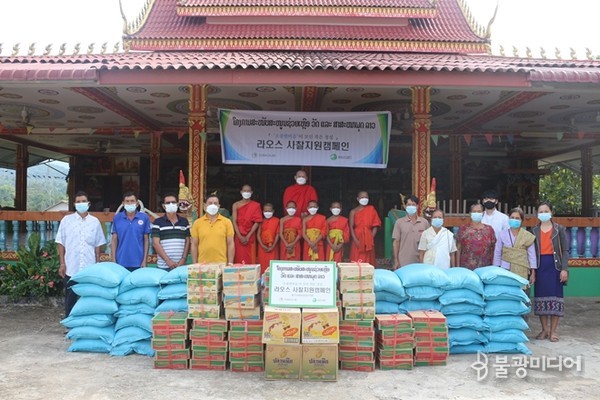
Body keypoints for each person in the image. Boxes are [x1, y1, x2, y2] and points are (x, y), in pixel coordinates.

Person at [56, 191, 106, 317]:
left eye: (83, 201)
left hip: (89, 267)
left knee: (89, 297)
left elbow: (98, 245)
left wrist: (97, 264)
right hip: (71, 266)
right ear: (74, 204)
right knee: (70, 298)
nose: (81, 204)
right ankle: (70, 324)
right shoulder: (66, 221)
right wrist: (62, 263)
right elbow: (61, 243)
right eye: (78, 202)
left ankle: (88, 322)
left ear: (88, 203)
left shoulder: (95, 222)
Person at [531, 201, 569, 342]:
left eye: (546, 211)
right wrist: (533, 271)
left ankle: (553, 331)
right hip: (540, 267)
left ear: (551, 212)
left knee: (556, 299)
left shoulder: (559, 229)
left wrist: (564, 269)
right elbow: (531, 253)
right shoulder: (534, 231)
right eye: (540, 212)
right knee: (541, 299)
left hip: (555, 267)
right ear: (537, 214)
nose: (543, 214)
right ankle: (544, 330)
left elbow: (565, 250)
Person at [493, 207, 537, 283]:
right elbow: (497, 252)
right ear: (509, 218)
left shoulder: (527, 236)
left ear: (521, 220)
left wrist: (533, 272)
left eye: (517, 218)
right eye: (512, 217)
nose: (514, 220)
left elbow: (532, 255)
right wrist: (496, 268)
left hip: (522, 269)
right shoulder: (502, 234)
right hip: (505, 269)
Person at [111, 192, 151, 271]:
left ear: (137, 203)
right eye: (127, 201)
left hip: (139, 262)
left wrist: (144, 260)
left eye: (132, 201)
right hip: (121, 261)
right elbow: (114, 240)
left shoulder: (144, 218)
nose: (130, 203)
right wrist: (113, 260)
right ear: (123, 203)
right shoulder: (117, 218)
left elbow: (146, 240)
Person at [190, 195, 234, 264]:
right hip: (202, 264)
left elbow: (230, 243)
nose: (213, 205)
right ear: (205, 205)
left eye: (215, 203)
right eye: (210, 203)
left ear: (219, 206)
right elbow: (194, 244)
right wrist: (195, 263)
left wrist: (230, 262)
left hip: (221, 263)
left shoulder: (227, 222)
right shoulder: (197, 223)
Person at [151, 193, 190, 270]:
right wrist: (168, 261)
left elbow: (187, 241)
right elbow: (156, 243)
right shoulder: (157, 222)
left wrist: (183, 259)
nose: (171, 204)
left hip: (181, 265)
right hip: (163, 266)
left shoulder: (184, 222)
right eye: (168, 203)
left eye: (173, 202)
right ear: (163, 206)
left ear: (178, 204)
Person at [392, 195, 429, 269]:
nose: (411, 207)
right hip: (403, 261)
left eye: (413, 205)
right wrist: (396, 260)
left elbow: (429, 242)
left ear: (417, 206)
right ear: (405, 206)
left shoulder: (424, 222)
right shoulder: (399, 222)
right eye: (408, 205)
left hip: (420, 261)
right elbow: (396, 242)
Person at [456, 203, 497, 270]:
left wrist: (493, 267)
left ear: (483, 213)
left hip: (485, 268)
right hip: (466, 268)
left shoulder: (489, 230)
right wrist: (457, 267)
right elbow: (458, 248)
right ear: (470, 214)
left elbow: (493, 249)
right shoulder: (463, 229)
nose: (476, 213)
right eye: (474, 211)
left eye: (479, 211)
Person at [232, 184, 263, 264]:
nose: (246, 192)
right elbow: (234, 221)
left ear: (251, 192)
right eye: (244, 191)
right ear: (241, 192)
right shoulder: (236, 205)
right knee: (239, 258)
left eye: (248, 191)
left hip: (250, 236)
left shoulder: (256, 205)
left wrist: (248, 236)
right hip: (239, 235)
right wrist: (239, 236)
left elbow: (257, 222)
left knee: (250, 259)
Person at [349, 191, 381, 265]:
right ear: (358, 199)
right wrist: (356, 240)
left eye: (366, 197)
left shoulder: (371, 209)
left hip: (368, 236)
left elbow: (375, 225)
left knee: (368, 259)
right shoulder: (353, 211)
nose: (364, 199)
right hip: (357, 237)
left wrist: (370, 238)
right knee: (356, 258)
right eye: (362, 197)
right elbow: (351, 227)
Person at [257, 203, 279, 274]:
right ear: (263, 212)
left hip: (273, 247)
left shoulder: (277, 221)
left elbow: (277, 234)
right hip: (262, 247)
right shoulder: (261, 221)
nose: (267, 213)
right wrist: (262, 245)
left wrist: (273, 246)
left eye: (269, 211)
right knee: (263, 265)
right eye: (265, 211)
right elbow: (258, 235)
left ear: (273, 211)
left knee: (272, 265)